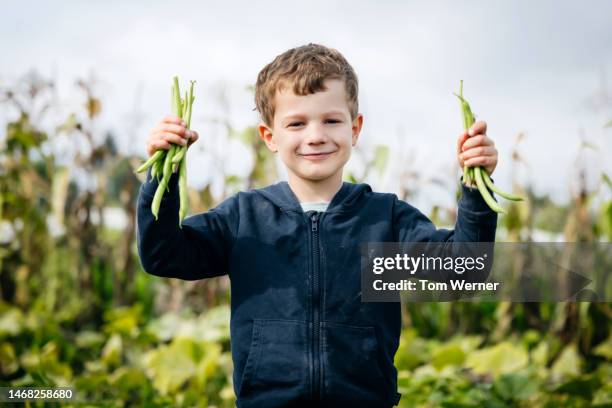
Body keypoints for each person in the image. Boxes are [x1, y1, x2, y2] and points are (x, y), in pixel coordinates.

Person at [136, 43, 498, 408]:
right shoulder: (244, 217)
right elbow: (163, 255)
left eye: (331, 120)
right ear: (270, 137)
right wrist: (162, 175)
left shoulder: (385, 219)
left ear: (355, 129)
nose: (315, 136)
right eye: (296, 123)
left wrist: (475, 184)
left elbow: (462, 271)